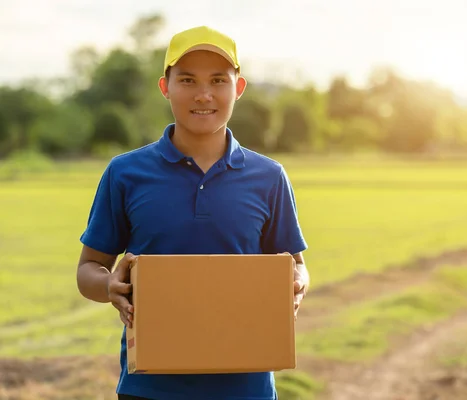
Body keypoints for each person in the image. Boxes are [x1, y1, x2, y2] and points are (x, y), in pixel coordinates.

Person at [76, 25, 310, 400]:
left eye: (218, 80)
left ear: (239, 88)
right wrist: (109, 285)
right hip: (150, 387)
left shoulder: (269, 177)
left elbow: (296, 264)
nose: (204, 94)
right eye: (187, 80)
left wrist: (297, 283)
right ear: (165, 87)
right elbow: (88, 268)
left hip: (246, 387)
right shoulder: (125, 173)